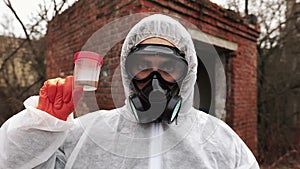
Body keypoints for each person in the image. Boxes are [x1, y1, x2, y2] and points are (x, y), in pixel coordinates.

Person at [0, 14, 259, 169]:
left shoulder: (220, 142)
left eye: (169, 67)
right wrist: (39, 131)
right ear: (127, 73)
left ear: (187, 74)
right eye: (143, 66)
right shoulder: (86, 133)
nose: (155, 79)